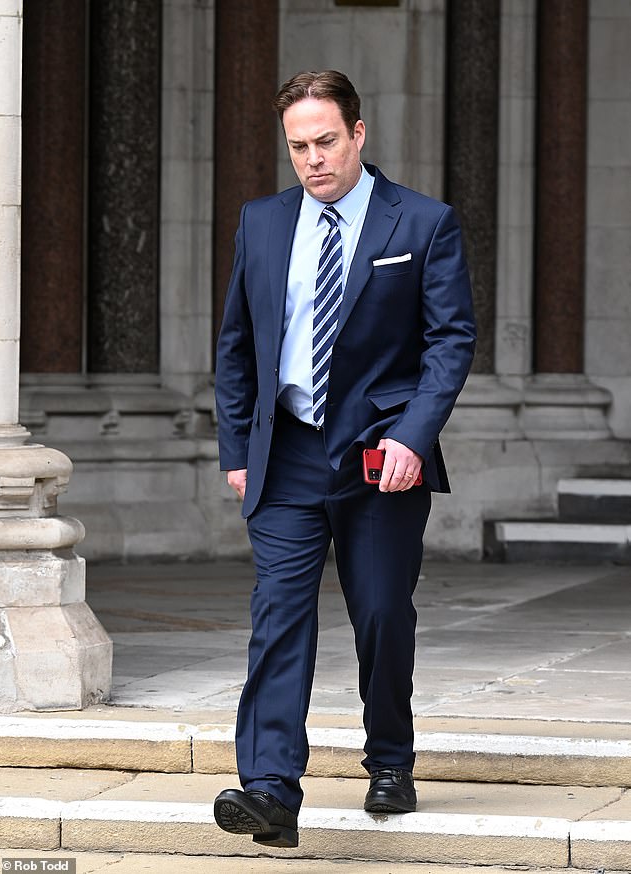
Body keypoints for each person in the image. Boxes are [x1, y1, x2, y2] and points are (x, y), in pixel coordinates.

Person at [213, 70, 476, 848]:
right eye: (298, 146)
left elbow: (450, 342)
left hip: (378, 456)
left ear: (358, 134)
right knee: (279, 619)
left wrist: (414, 436)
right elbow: (237, 344)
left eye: (326, 141)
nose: (313, 159)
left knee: (382, 616)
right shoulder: (261, 223)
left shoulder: (424, 223)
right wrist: (237, 447)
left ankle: (390, 757)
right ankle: (269, 789)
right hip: (287, 453)